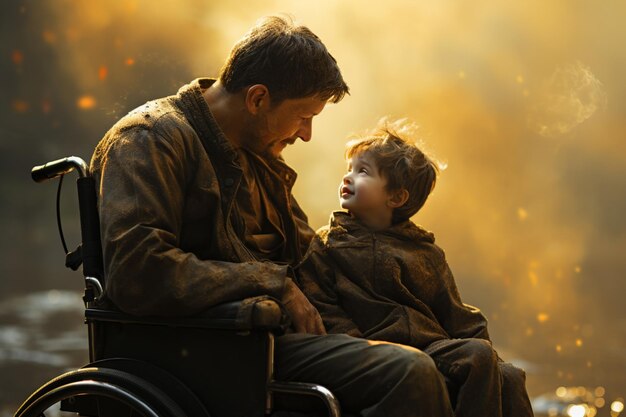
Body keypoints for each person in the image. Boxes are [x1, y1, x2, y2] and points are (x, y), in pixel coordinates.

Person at [90, 16, 455, 417]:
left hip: (267, 337)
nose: (307, 134)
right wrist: (273, 284)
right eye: (303, 116)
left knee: (459, 362)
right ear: (258, 98)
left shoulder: (257, 152)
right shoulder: (150, 139)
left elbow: (309, 255)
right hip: (215, 346)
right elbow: (137, 273)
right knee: (410, 372)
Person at [296, 122, 534, 417]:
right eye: (350, 168)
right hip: (376, 351)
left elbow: (455, 312)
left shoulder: (424, 252)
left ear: (396, 197)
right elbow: (322, 304)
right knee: (477, 356)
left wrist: (485, 349)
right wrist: (355, 342)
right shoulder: (327, 245)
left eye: (363, 171)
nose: (348, 176)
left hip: (431, 348)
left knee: (507, 375)